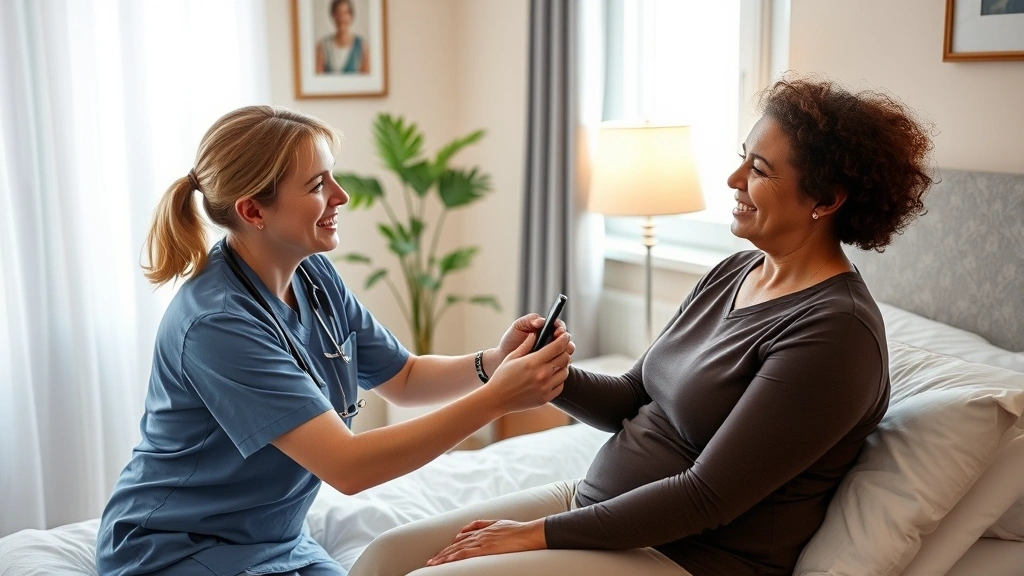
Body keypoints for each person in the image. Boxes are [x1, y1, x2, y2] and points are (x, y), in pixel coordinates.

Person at [350, 75, 936, 576]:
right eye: (742, 157)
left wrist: (535, 535)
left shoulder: (836, 335)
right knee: (384, 556)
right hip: (600, 507)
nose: (733, 180)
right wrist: (545, 370)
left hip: (686, 554)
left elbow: (709, 497)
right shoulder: (735, 270)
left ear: (827, 198)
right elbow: (634, 397)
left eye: (758, 169)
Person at [94, 105, 574, 576]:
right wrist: (497, 399)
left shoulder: (314, 275)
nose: (341, 196)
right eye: (318, 185)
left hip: (275, 540)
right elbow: (347, 467)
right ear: (252, 210)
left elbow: (403, 378)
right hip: (174, 549)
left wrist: (492, 361)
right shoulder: (216, 324)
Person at [316, 0, 370, 74]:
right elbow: (318, 78)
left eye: (345, 13)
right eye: (338, 13)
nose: (342, 18)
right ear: (333, 16)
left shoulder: (361, 46)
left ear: (351, 16)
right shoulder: (323, 46)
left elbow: (366, 79)